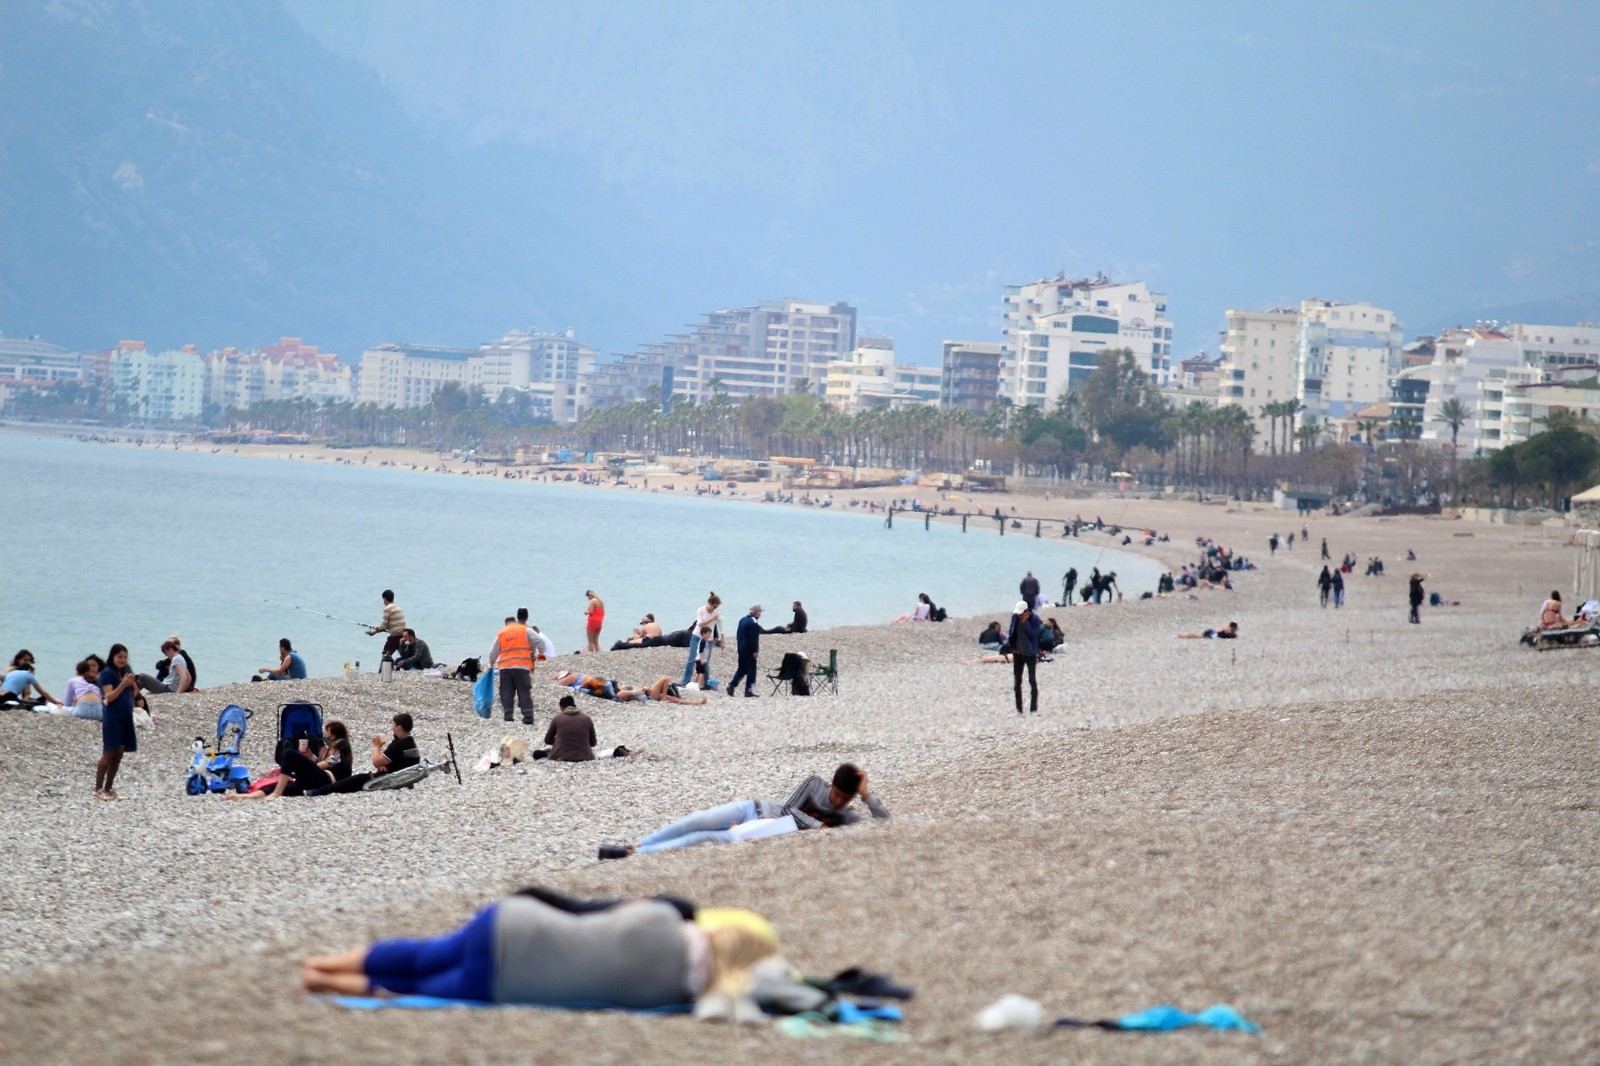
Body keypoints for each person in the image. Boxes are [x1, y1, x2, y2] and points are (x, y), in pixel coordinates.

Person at [299, 891, 779, 1022]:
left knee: (426, 954)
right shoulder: (674, 995)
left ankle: (329, 959)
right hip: (502, 986)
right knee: (413, 989)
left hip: (518, 923)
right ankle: (322, 980)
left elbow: (603, 911)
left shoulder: (663, 922)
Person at [599, 763, 890, 858]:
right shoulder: (815, 784)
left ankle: (635, 854)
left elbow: (886, 824)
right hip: (756, 809)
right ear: (832, 786)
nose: (839, 802)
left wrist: (865, 795)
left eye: (845, 798)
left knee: (705, 837)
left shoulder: (848, 817)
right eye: (837, 795)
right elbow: (789, 807)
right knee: (696, 821)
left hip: (763, 831)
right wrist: (818, 827)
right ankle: (638, 843)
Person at [228, 720, 353, 800]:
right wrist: (311, 757)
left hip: (324, 780)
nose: (325, 735)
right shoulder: (330, 752)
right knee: (280, 787)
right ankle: (247, 796)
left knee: (289, 754)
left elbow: (320, 766)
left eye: (327, 733)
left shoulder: (339, 757)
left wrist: (300, 765)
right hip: (313, 781)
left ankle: (276, 793)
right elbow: (318, 765)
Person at [315, 713, 420, 794]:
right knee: (353, 780)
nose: (391, 727)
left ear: (399, 728)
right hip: (401, 777)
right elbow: (390, 759)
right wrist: (384, 763)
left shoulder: (399, 744)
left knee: (355, 780)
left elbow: (376, 761)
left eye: (393, 724)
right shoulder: (409, 743)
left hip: (387, 779)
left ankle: (320, 791)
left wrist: (376, 746)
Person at [95, 644, 140, 799]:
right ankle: (98, 788)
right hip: (112, 717)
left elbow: (135, 691)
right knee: (109, 752)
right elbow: (110, 697)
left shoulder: (126, 672)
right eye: (119, 657)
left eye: (125, 657)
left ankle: (109, 787)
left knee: (119, 753)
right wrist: (123, 684)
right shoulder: (107, 674)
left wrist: (132, 685)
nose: (122, 660)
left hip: (125, 716)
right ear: (112, 657)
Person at [551, 671, 709, 706]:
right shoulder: (657, 694)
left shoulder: (574, 676)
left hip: (641, 694)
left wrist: (660, 696)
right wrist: (696, 703)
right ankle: (634, 694)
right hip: (624, 691)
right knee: (624, 693)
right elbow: (679, 699)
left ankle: (635, 694)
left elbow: (667, 679)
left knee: (625, 693)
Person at [488, 615, 537, 725]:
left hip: (506, 667)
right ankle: (528, 717)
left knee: (506, 692)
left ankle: (508, 716)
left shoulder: (502, 633)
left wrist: (491, 664)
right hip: (522, 666)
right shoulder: (525, 630)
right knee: (524, 691)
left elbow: (493, 652)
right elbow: (538, 640)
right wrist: (538, 652)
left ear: (506, 624)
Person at [1007, 601, 1044, 715]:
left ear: (1026, 611)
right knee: (1017, 682)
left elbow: (1034, 635)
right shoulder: (1015, 618)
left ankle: (1033, 709)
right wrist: (1012, 647)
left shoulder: (1035, 619)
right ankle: (1019, 710)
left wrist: (1026, 623)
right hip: (1018, 654)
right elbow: (1011, 633)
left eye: (1021, 613)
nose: (1019, 616)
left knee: (1032, 680)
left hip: (1030, 654)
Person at [680, 592, 723, 688]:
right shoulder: (701, 610)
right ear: (710, 603)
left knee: (705, 661)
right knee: (692, 659)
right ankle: (685, 681)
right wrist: (712, 618)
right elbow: (700, 624)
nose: (715, 609)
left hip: (709, 638)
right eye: (714, 606)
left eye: (716, 607)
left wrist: (722, 639)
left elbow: (720, 626)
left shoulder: (716, 613)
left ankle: (705, 682)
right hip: (697, 636)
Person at [543, 695, 598, 762]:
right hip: (585, 756)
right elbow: (593, 743)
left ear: (561, 708)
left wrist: (559, 739)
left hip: (561, 756)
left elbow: (547, 740)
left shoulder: (557, 719)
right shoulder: (587, 719)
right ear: (575, 705)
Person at [726, 604, 763, 698]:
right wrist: (755, 650)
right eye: (759, 611)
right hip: (749, 649)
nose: (760, 613)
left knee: (742, 668)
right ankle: (749, 690)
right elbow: (754, 638)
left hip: (741, 647)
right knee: (751, 669)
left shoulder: (742, 620)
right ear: (754, 612)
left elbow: (738, 634)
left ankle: (732, 685)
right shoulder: (753, 622)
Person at [368, 589, 407, 663]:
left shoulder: (387, 609)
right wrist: (377, 630)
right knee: (404, 655)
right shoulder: (398, 607)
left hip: (395, 636)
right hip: (403, 634)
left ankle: (384, 671)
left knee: (385, 655)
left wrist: (374, 631)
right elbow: (389, 624)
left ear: (385, 599)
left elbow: (383, 626)